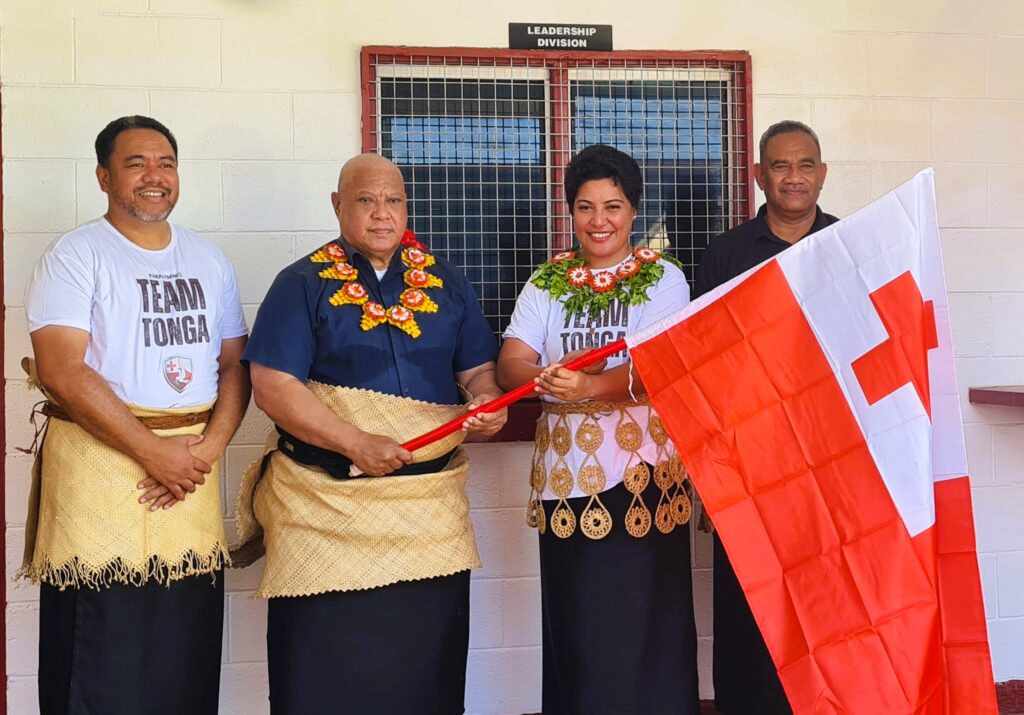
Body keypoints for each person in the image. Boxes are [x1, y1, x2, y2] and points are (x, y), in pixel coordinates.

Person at [234, 152, 507, 714]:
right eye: (366, 200)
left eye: (394, 201)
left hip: (426, 513)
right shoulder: (301, 282)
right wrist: (357, 443)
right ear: (338, 205)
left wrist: (486, 403)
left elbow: (478, 371)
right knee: (322, 671)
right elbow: (272, 385)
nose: (382, 214)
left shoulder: (445, 280)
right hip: (323, 508)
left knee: (424, 673)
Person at [21, 115, 250, 715]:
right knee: (99, 644)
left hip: (192, 467)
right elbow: (63, 371)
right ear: (103, 176)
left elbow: (234, 366)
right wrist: (153, 452)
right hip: (101, 468)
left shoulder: (209, 258)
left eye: (166, 163)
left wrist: (209, 448)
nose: (155, 177)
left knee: (185, 640)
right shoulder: (74, 255)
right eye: (136, 164)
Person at [497, 144, 700, 714]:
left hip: (641, 476)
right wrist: (545, 377)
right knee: (578, 617)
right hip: (566, 480)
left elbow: (661, 369)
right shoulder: (549, 280)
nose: (599, 221)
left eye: (613, 206)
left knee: (643, 619)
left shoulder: (664, 280)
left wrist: (587, 388)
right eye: (585, 207)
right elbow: (512, 361)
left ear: (634, 212)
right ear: (571, 212)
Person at [695, 119, 835, 715]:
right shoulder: (726, 254)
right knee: (746, 600)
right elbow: (699, 363)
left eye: (805, 165)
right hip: (747, 459)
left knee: (826, 598)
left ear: (822, 174)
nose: (794, 178)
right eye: (781, 166)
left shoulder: (850, 244)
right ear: (758, 175)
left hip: (830, 460)